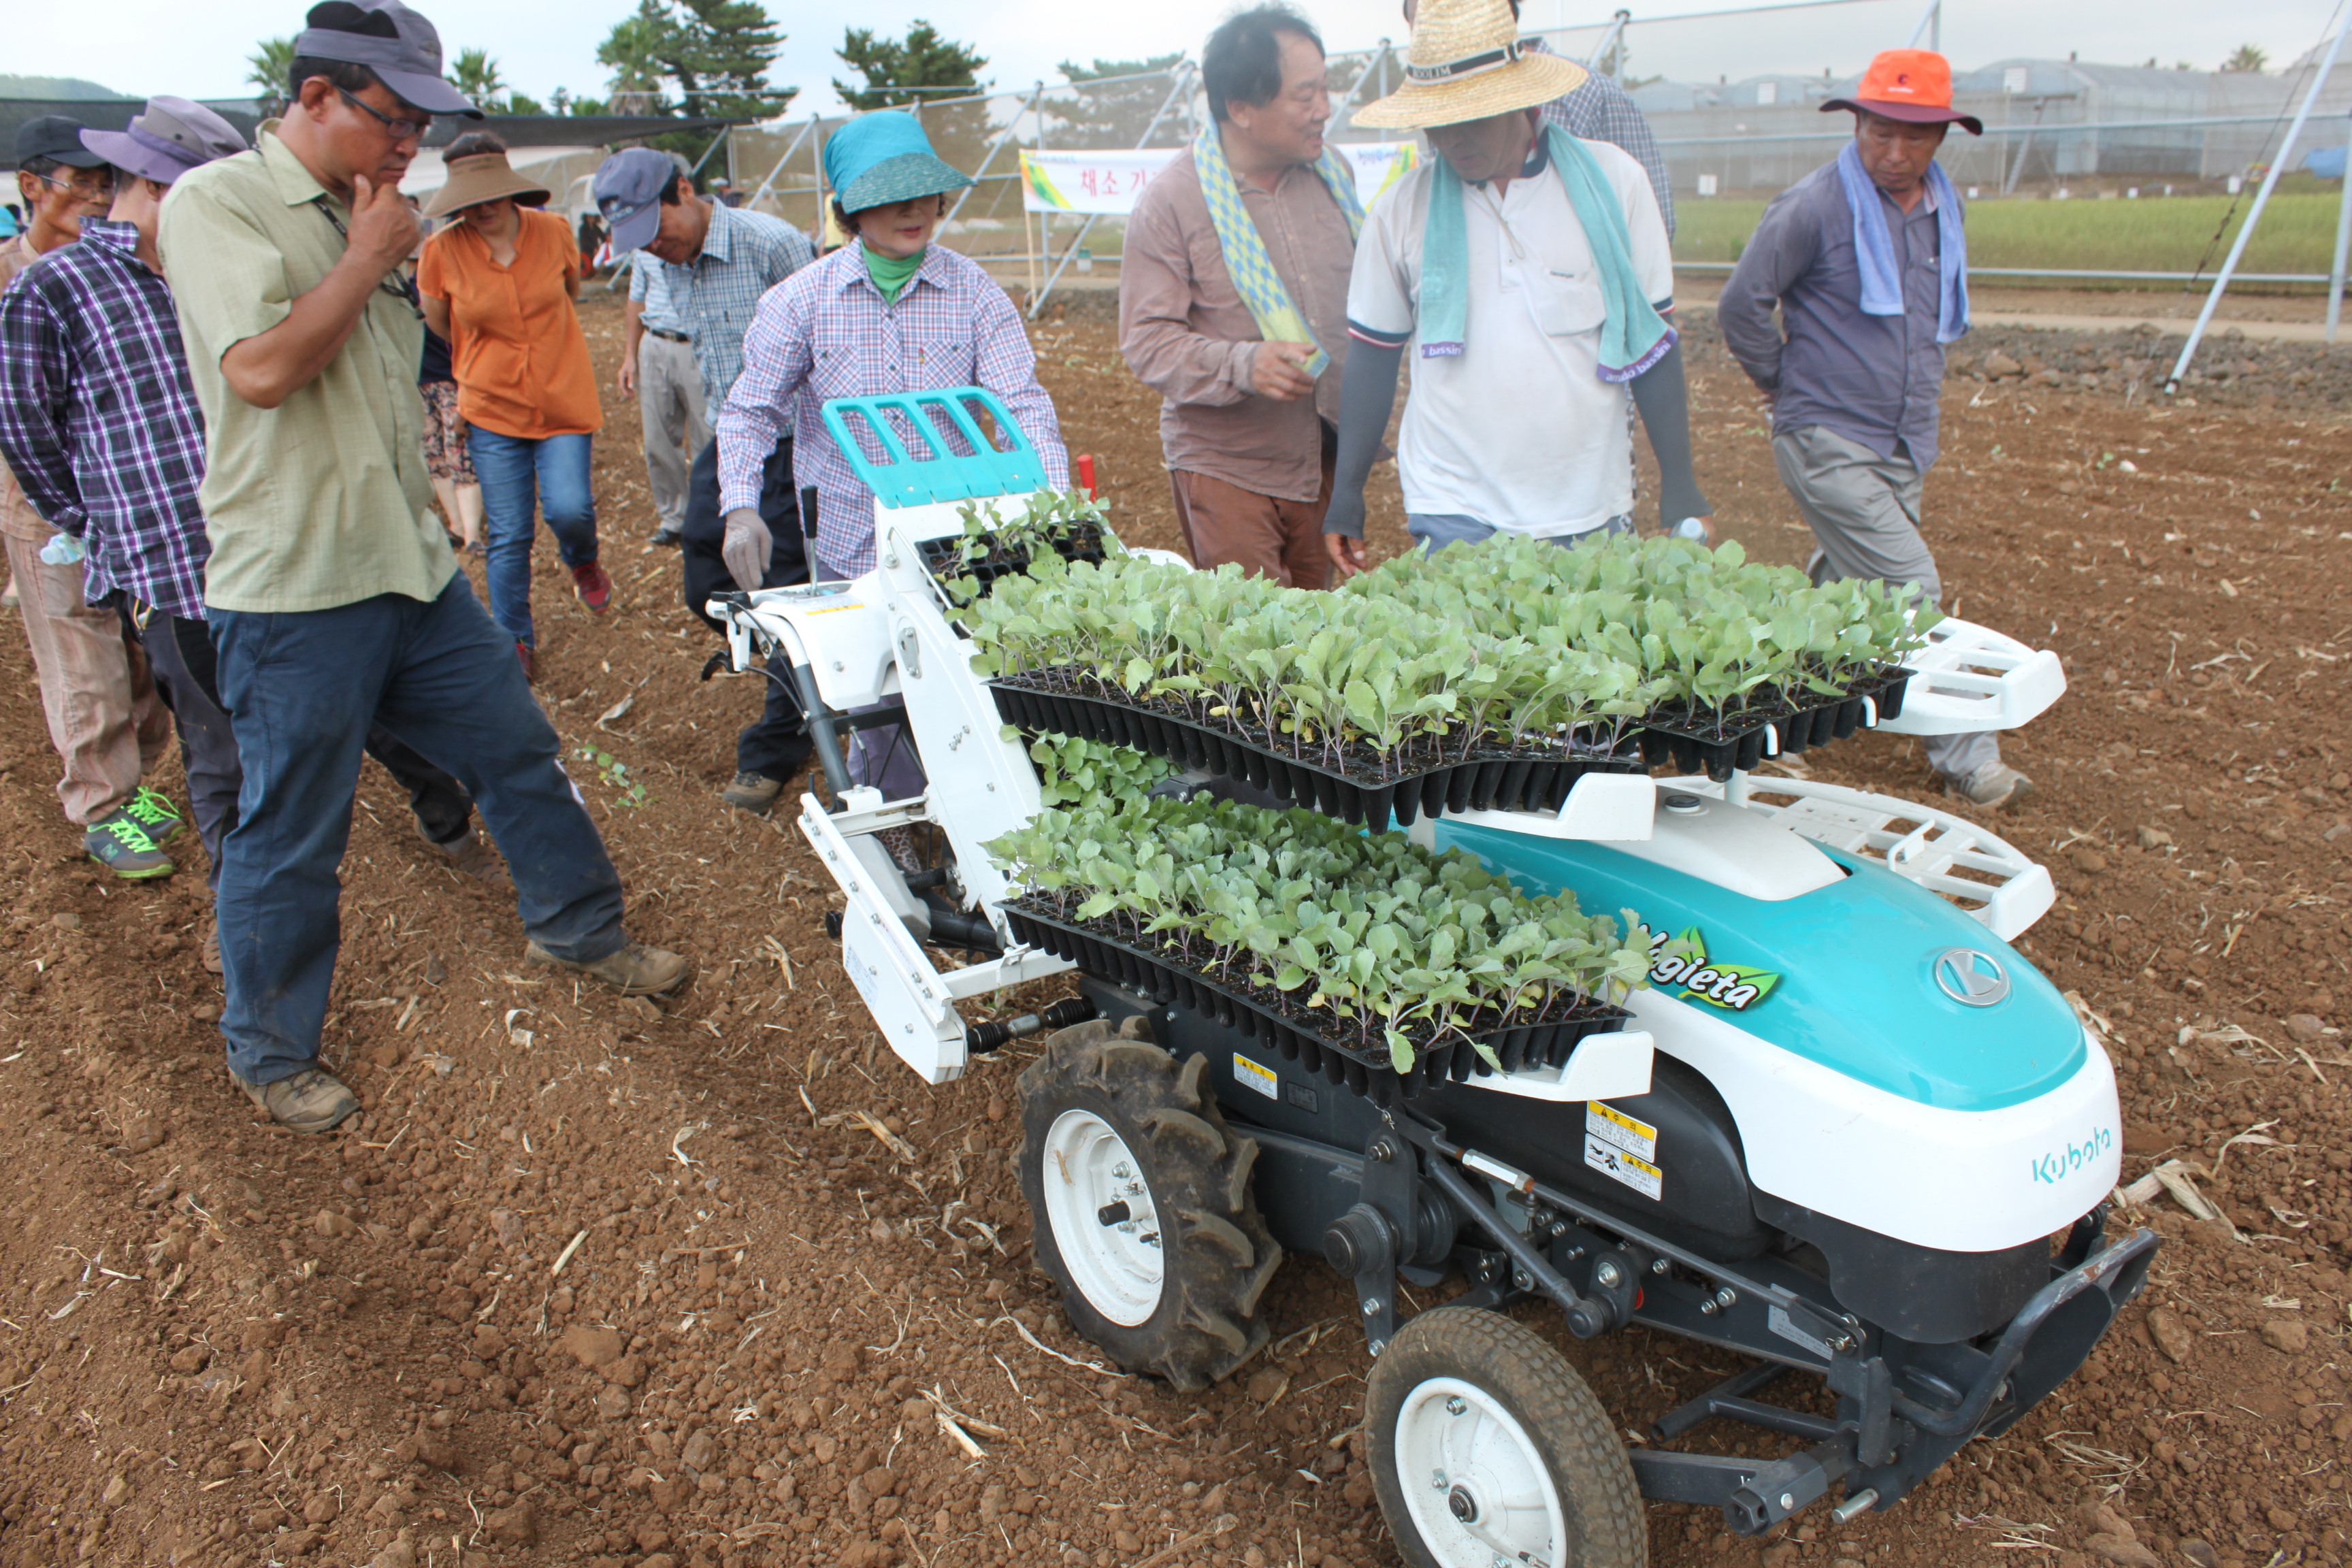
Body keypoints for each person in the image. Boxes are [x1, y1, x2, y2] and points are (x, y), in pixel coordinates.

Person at [159, 0, 688, 1134]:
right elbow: (260, 371)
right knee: (292, 825)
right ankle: (267, 1046)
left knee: (516, 748)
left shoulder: (383, 214)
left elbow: (400, 388)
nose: (411, 148)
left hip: (407, 566)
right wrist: (365, 257)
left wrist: (438, 496)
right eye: (392, 120)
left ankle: (578, 924)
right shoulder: (222, 205)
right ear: (314, 99)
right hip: (294, 585)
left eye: (421, 126)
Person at [0, 96, 508, 973]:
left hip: (289, 546)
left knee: (376, 706)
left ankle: (446, 815)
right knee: (226, 754)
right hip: (177, 565)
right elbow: (28, 427)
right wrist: (97, 526)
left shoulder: (239, 262)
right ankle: (254, 938)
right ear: (165, 188)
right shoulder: (60, 286)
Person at [717, 110, 1069, 809]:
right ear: (849, 208)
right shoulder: (801, 301)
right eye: (891, 193)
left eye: (927, 192)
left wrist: (1055, 503)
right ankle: (899, 831)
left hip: (959, 529)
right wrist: (740, 507)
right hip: (853, 533)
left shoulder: (973, 293)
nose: (915, 208)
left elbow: (1022, 405)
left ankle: (986, 814)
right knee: (878, 687)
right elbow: (749, 410)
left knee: (974, 674)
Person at [1717, 50, 2028, 811]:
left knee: (1840, 592)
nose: (1894, 153)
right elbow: (1741, 304)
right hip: (1825, 436)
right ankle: (1969, 759)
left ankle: (1744, 704)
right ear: (1856, 123)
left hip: (1904, 438)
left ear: (1942, 138)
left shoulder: (1938, 210)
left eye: (1913, 138)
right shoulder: (1814, 206)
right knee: (1908, 585)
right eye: (1879, 133)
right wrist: (1782, 384)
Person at [1326, 0, 1710, 566]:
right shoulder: (1401, 211)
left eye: (1472, 116)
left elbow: (1652, 345)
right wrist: (1346, 496)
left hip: (1587, 504)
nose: (1453, 139)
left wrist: (1680, 485)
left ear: (1518, 99)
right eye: (1438, 120)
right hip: (1452, 506)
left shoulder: (1615, 184)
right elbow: (1374, 356)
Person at [593, 145, 817, 816]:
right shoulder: (666, 259)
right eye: (643, 244)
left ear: (684, 190)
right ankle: (801, 666)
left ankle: (777, 745)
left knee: (781, 593)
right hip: (732, 436)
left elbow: (831, 339)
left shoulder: (770, 246)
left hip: (793, 443)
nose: (656, 248)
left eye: (660, 229)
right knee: (703, 570)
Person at [1120, 5, 1356, 589]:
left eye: (1325, 89)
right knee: (1256, 647)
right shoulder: (1174, 201)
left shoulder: (1335, 176)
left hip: (1324, 455)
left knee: (1321, 642)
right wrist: (1245, 364)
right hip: (1229, 466)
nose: (1324, 109)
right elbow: (1148, 342)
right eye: (1305, 96)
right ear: (1241, 108)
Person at [2, 114, 181, 876]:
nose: (102, 196)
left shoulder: (126, 271)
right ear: (32, 187)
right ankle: (102, 803)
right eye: (85, 182)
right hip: (41, 495)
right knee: (81, 646)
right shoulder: (10, 278)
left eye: (110, 181)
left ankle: (133, 776)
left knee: (143, 647)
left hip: (127, 494)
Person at [418, 131, 610, 681]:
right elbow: (440, 324)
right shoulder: (441, 252)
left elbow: (568, 292)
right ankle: (514, 643)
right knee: (509, 534)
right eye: (469, 200)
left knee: (569, 509)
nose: (482, 208)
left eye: (491, 196)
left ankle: (583, 561)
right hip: (492, 407)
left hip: (561, 396)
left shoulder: (552, 232)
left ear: (510, 192)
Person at [619, 235, 704, 548]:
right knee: (657, 439)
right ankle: (675, 519)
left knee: (707, 438)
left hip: (696, 343)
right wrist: (630, 355)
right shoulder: (643, 245)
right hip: (654, 341)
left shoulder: (693, 236)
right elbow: (636, 297)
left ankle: (709, 515)